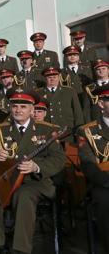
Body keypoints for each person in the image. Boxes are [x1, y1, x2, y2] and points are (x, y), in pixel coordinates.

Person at [0, 89, 65, 254]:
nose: (18, 110)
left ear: (32, 110)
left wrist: (36, 166)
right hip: (7, 180)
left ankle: (20, 249)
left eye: (23, 107)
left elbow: (59, 159)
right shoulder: (1, 130)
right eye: (15, 106)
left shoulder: (46, 130)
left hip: (35, 181)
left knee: (23, 195)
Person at [77, 84, 109, 253]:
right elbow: (87, 164)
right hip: (103, 182)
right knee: (105, 202)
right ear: (101, 104)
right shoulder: (87, 131)